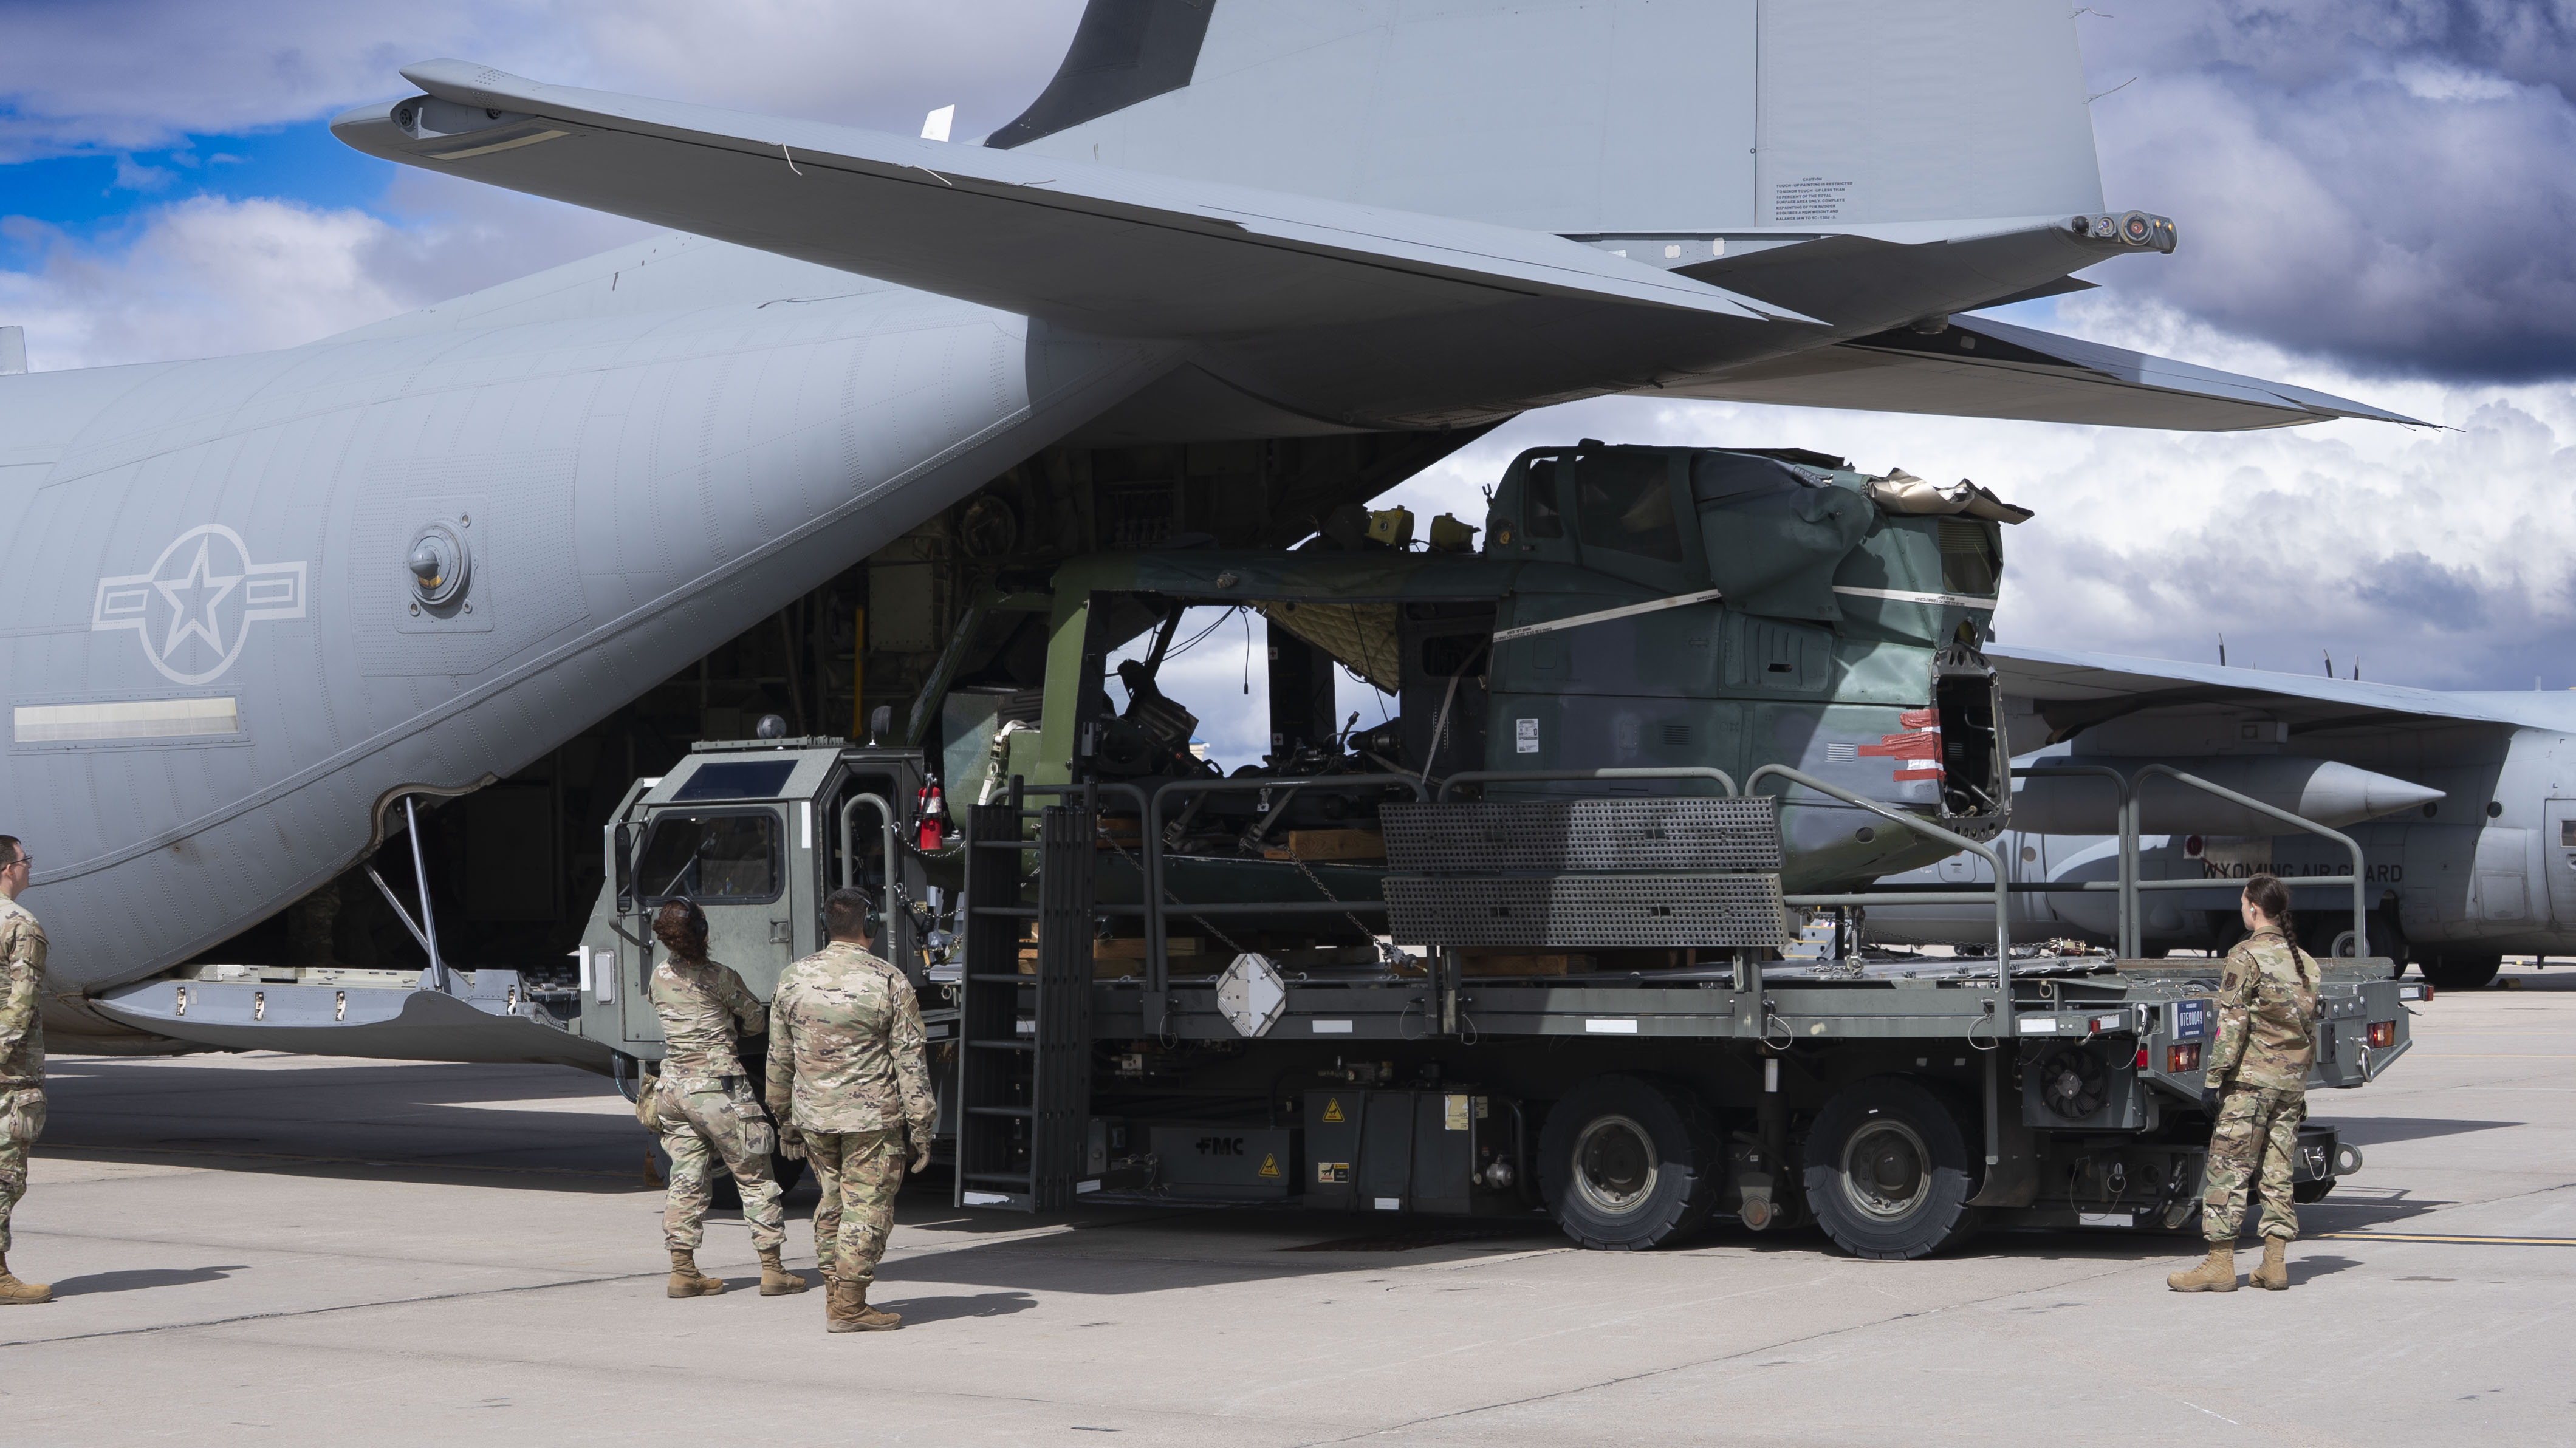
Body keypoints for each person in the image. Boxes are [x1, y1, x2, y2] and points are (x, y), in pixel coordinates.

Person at [766, 886, 936, 1333]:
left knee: (833, 1201)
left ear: (828, 927)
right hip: (870, 1121)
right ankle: (850, 1304)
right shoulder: (888, 980)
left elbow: (779, 1058)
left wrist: (783, 1118)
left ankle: (835, 1295)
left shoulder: (793, 978)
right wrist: (922, 1126)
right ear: (871, 925)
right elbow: (910, 1062)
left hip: (814, 1116)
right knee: (866, 1208)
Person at [2170, 873, 2321, 1293]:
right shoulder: (2305, 961)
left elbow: (2231, 1024)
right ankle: (2274, 1263)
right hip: (2290, 1085)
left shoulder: (2245, 955)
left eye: (2242, 903)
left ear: (2254, 908)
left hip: (2252, 1083)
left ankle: (2219, 1264)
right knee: (2277, 1171)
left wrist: (2213, 1081)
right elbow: (2309, 1028)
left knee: (2229, 1168)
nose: (2242, 909)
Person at [645, 898, 803, 1299]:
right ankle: (772, 1271)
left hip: (674, 1092)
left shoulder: (659, 977)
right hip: (719, 1092)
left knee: (685, 1178)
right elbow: (754, 1019)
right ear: (702, 933)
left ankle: (683, 1271)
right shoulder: (721, 978)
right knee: (755, 1179)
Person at [0, 838, 47, 1306]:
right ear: (8, 869)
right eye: (25, 860)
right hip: (9, 1073)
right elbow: (22, 1000)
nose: (29, 867)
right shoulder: (20, 926)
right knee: (5, 1173)